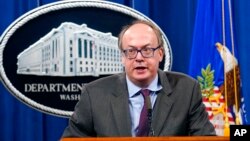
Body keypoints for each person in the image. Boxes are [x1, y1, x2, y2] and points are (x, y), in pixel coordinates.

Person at [61, 20, 216, 137]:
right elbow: (72, 139)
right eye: (131, 51)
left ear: (160, 54)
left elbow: (205, 137)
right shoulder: (94, 94)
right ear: (122, 57)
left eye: (147, 50)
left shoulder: (186, 90)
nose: (139, 58)